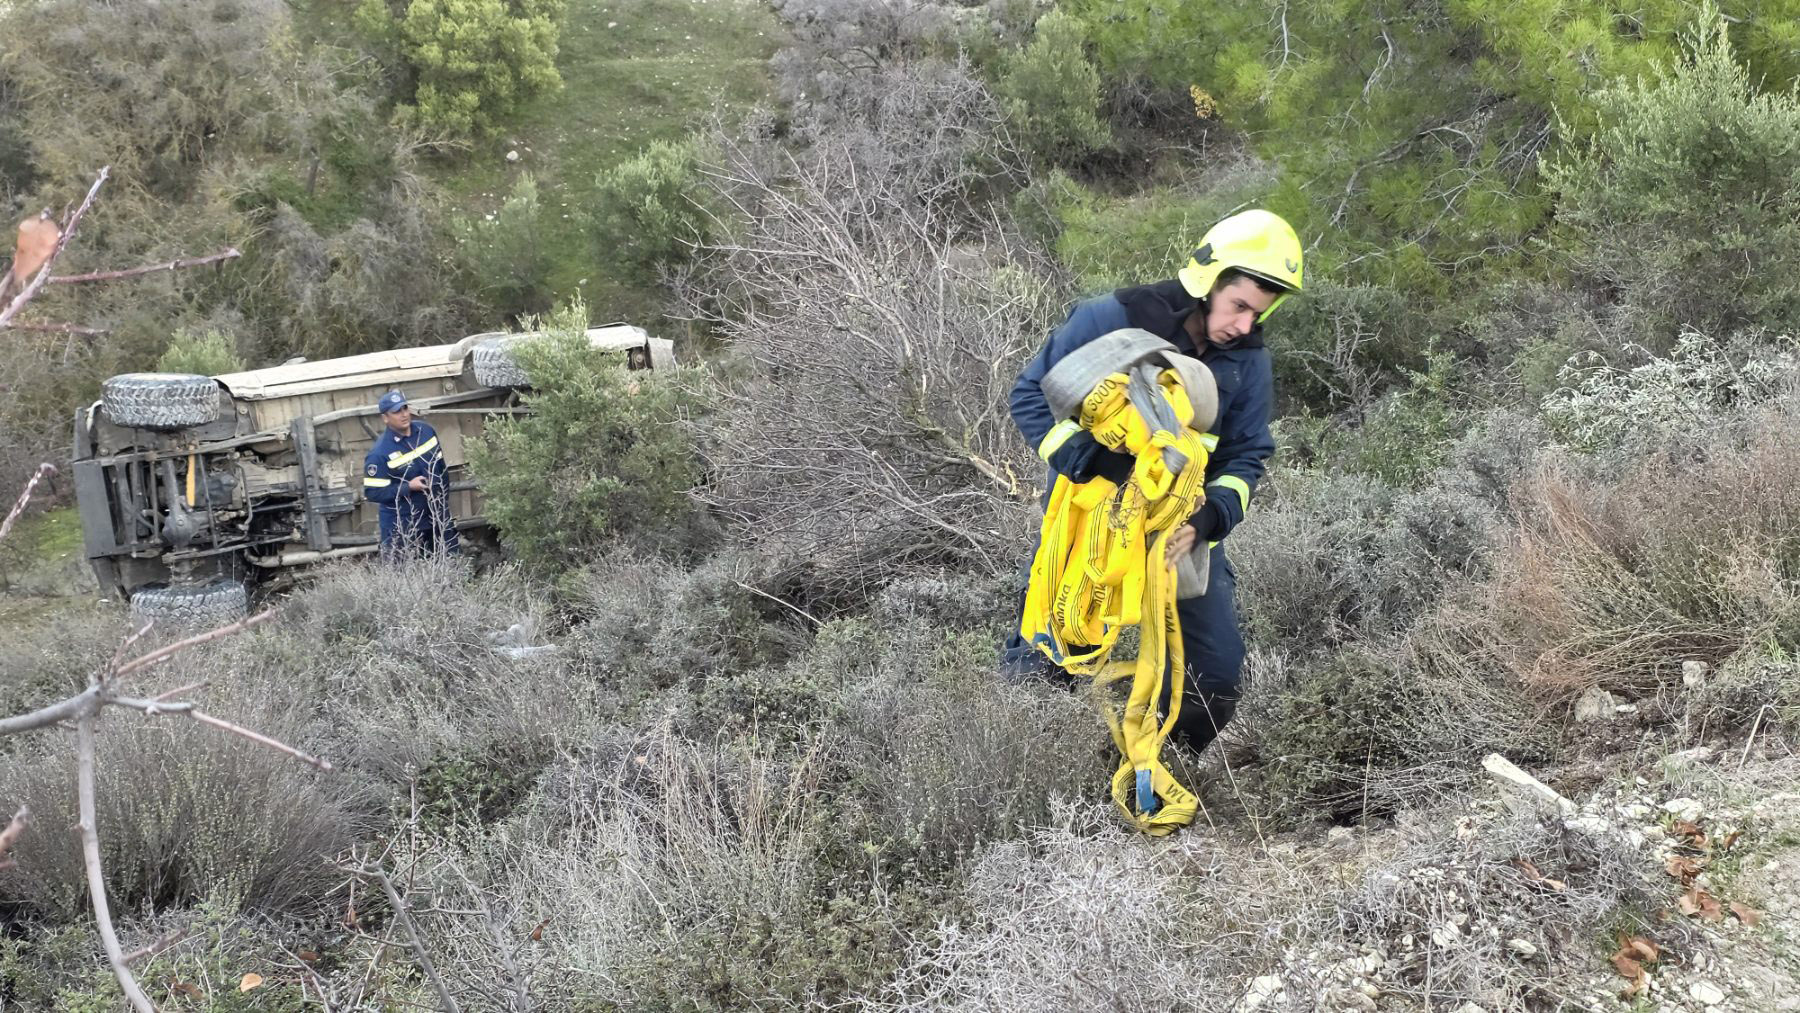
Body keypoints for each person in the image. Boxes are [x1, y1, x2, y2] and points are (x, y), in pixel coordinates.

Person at [1002, 209, 1303, 755]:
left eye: (1258, 314)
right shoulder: (1112, 318)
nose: (1244, 325)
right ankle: (1031, 776)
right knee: (1048, 656)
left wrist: (1210, 518)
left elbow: (1247, 453)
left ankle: (1158, 766)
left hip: (1177, 532)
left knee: (1214, 673)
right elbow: (1030, 395)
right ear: (1208, 282)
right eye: (1238, 307)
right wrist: (1090, 459)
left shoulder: (1248, 363)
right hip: (1090, 527)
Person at [362, 390, 460, 560]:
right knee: (404, 576)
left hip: (437, 517)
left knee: (451, 563)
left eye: (405, 408)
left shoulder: (426, 431)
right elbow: (373, 493)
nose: (404, 414)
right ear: (385, 418)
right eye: (397, 412)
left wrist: (442, 503)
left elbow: (442, 470)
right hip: (403, 526)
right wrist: (408, 487)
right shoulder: (379, 453)